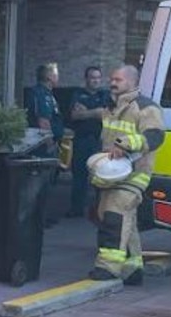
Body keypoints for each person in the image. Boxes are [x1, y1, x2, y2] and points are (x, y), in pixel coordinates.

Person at [89, 64, 164, 286]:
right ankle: (132, 269)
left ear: (132, 82)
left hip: (134, 174)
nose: (113, 83)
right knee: (124, 219)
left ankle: (107, 268)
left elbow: (156, 136)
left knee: (114, 217)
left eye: (118, 80)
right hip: (112, 174)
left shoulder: (145, 107)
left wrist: (126, 145)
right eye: (112, 79)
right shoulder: (112, 106)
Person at [68, 66, 111, 219]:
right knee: (79, 176)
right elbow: (74, 115)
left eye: (98, 77)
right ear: (86, 79)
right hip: (81, 141)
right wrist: (96, 112)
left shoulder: (105, 95)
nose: (96, 80)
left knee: (100, 177)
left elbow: (107, 115)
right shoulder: (78, 95)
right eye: (92, 77)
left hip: (99, 142)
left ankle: (99, 210)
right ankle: (76, 209)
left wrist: (86, 112)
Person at [25, 62, 64, 226]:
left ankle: (42, 216)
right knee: (41, 182)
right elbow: (43, 121)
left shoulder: (49, 94)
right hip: (42, 146)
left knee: (47, 182)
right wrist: (50, 143)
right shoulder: (41, 95)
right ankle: (37, 219)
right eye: (56, 74)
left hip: (49, 141)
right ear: (49, 76)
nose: (58, 77)